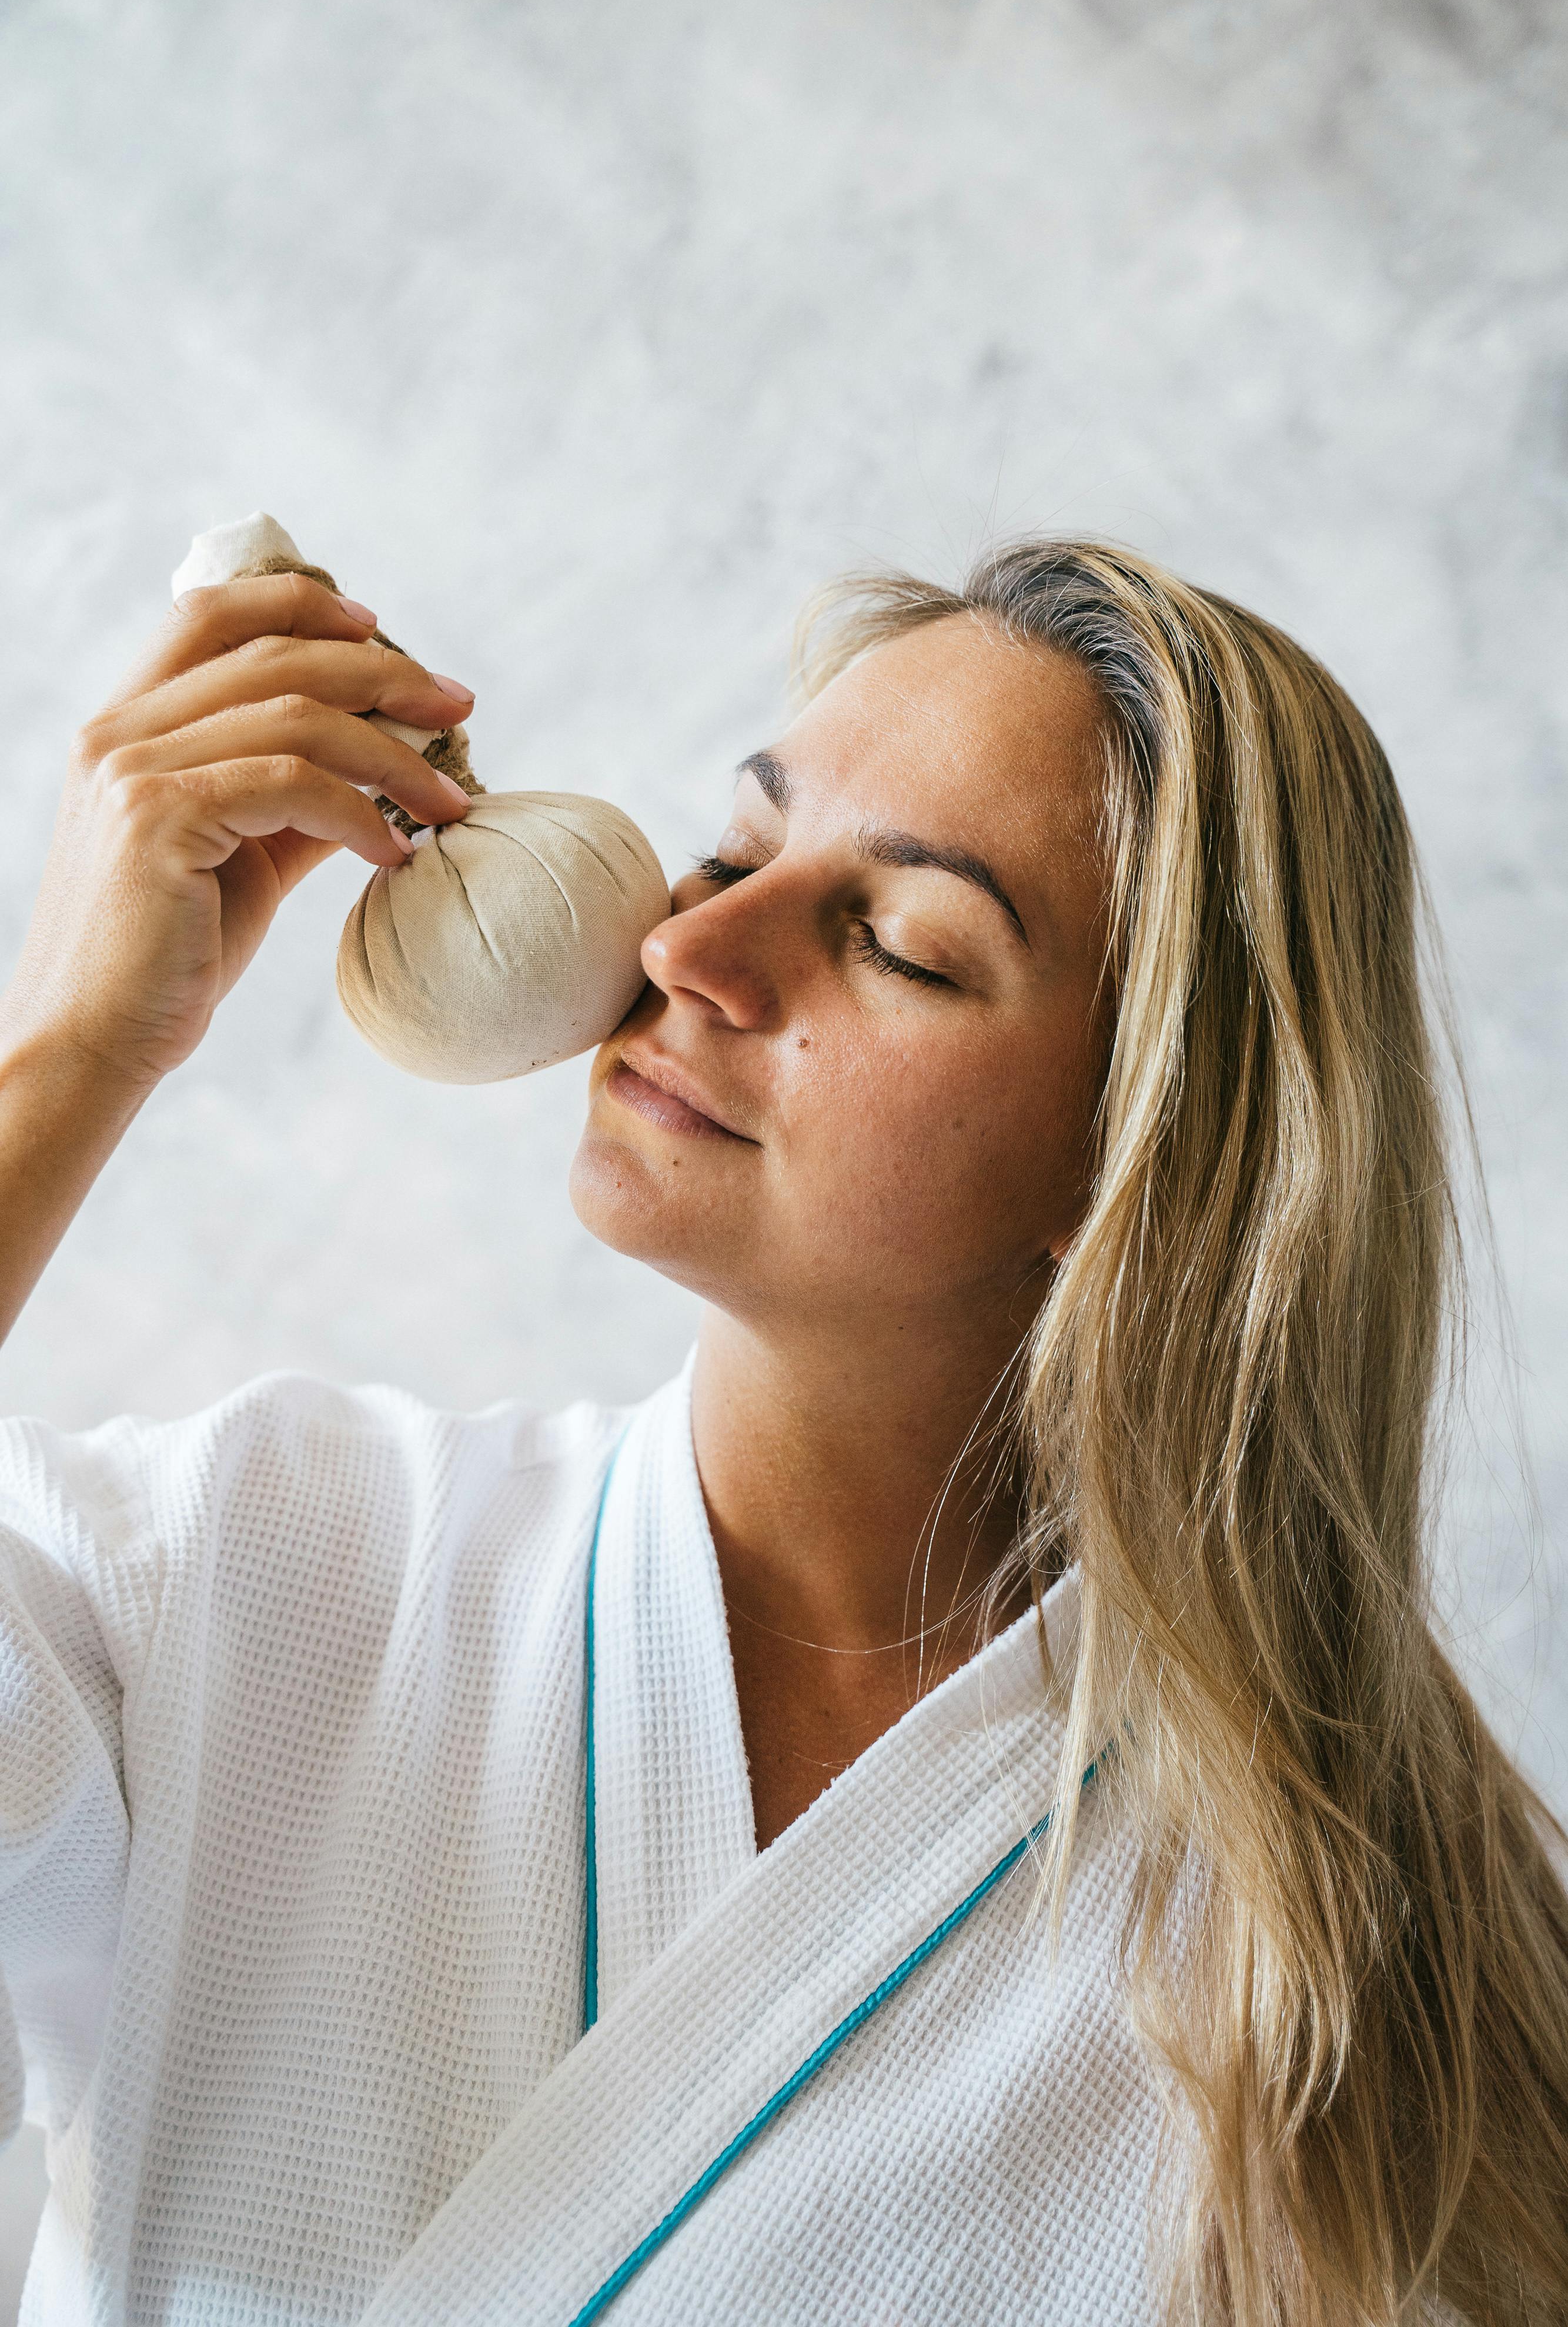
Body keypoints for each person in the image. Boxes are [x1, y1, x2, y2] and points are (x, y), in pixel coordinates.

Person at [0, 540, 1564, 2327]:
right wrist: (72, 1049)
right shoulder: (237, 1569)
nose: (686, 947)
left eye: (895, 941)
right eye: (735, 850)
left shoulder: (1330, 2004)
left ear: (1135, 1159)